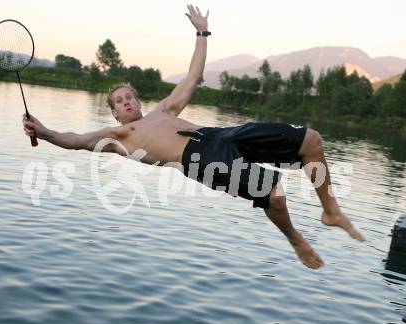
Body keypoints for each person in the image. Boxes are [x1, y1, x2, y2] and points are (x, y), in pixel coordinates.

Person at [23, 4, 364, 270]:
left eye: (129, 97)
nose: (126, 102)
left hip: (221, 135)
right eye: (119, 102)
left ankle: (330, 210)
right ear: (114, 112)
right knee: (273, 194)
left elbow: (193, 76)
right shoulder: (119, 136)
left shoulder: (163, 111)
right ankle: (296, 240)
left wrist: (203, 33)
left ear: (138, 101)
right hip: (200, 161)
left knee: (312, 141)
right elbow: (77, 139)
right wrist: (46, 132)